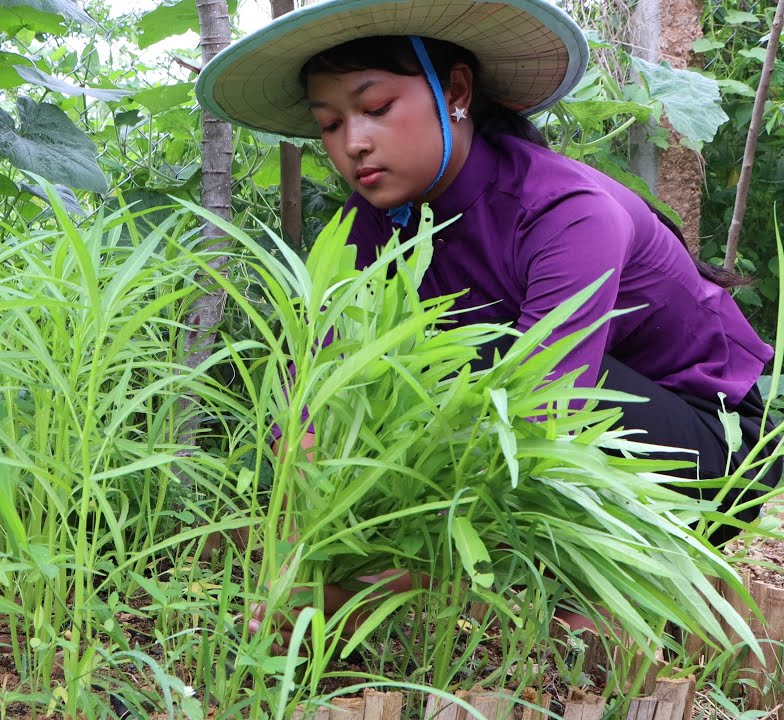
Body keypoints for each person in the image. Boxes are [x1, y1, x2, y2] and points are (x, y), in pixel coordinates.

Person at [194, 0, 780, 638]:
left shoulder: (567, 210)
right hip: (561, 440)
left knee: (468, 352)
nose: (353, 142)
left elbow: (540, 411)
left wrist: (396, 581)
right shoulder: (362, 233)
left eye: (377, 108)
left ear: (457, 92)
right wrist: (299, 558)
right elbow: (315, 404)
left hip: (712, 446)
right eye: (330, 124)